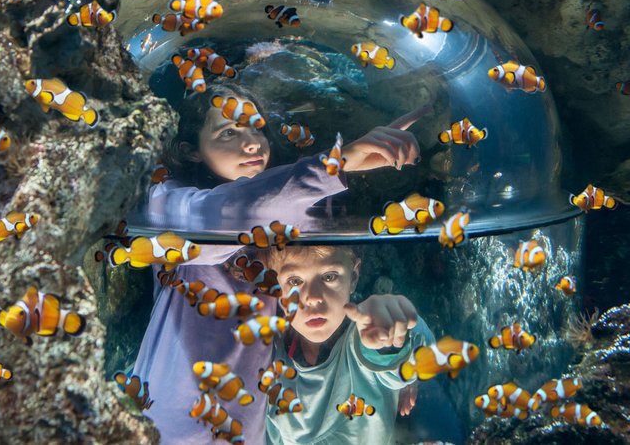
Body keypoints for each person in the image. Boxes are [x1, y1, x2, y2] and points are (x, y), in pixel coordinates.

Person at [129, 82, 429, 444]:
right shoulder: (166, 199)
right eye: (229, 132)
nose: (253, 142)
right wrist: (337, 163)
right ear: (190, 151)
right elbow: (224, 213)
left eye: (257, 127)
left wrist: (397, 362)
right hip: (167, 430)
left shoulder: (284, 220)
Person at [257, 245, 434, 445]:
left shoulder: (364, 338)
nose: (313, 297)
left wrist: (393, 342)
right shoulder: (266, 353)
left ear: (354, 277)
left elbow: (415, 347)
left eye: (329, 277)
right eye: (295, 281)